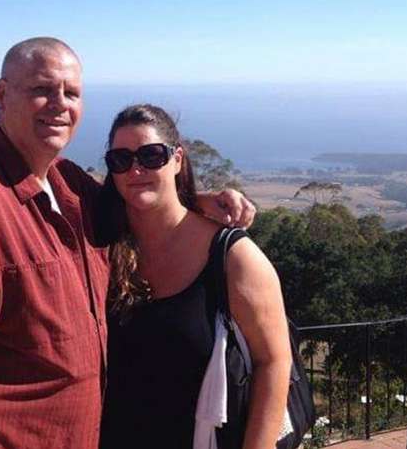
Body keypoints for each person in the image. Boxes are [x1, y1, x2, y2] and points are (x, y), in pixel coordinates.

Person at [0, 38, 256, 449]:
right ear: (2, 95)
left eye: (72, 93)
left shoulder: (69, 185)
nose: (60, 103)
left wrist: (195, 201)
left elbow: (136, 209)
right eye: (42, 89)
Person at [98, 104, 292, 449]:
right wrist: (199, 199)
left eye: (151, 155)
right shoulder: (102, 247)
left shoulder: (232, 257)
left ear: (177, 159)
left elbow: (273, 361)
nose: (136, 169)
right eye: (121, 159)